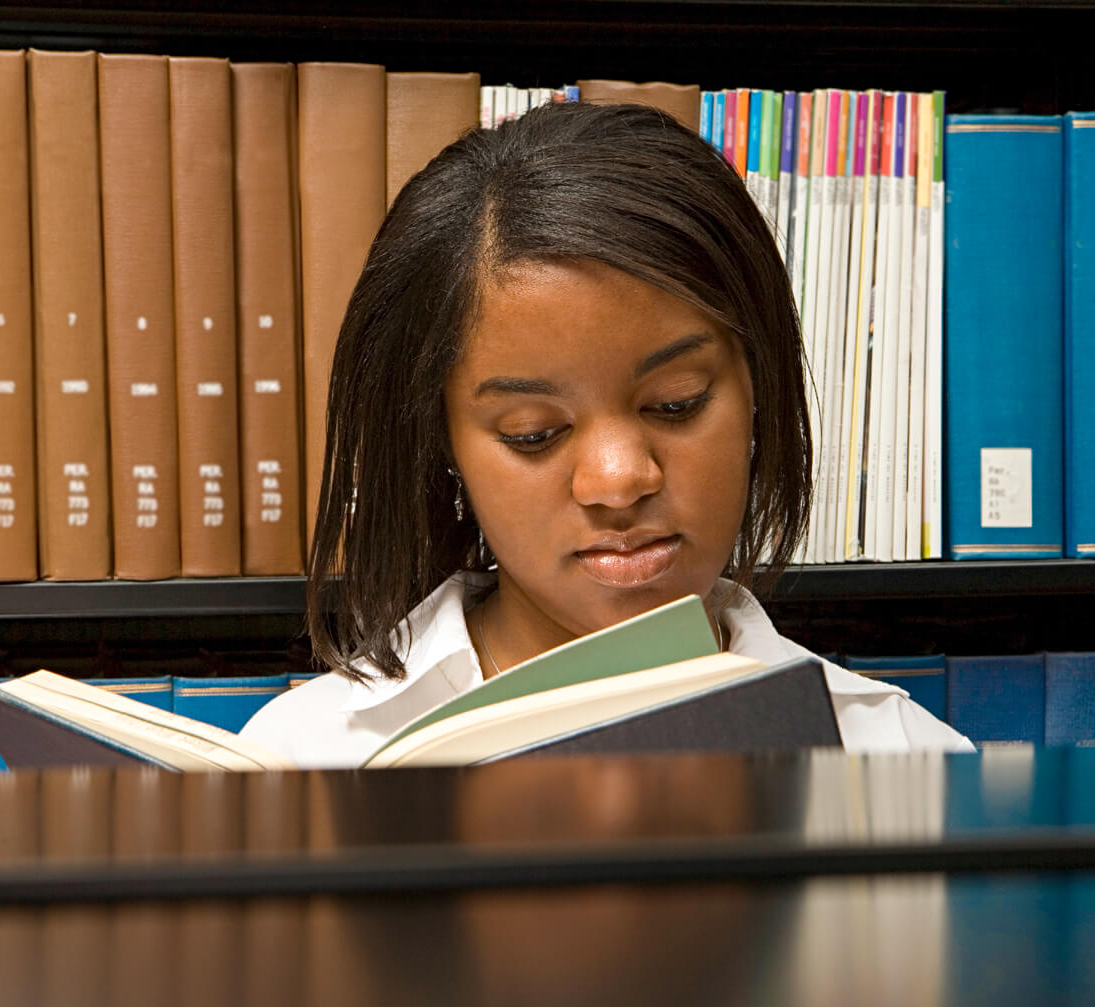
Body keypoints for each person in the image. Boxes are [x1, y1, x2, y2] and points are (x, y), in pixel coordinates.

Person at [242, 101, 971, 766]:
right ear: (444, 446)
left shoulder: (905, 758)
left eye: (677, 405)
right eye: (534, 434)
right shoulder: (299, 759)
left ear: (759, 389)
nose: (620, 479)